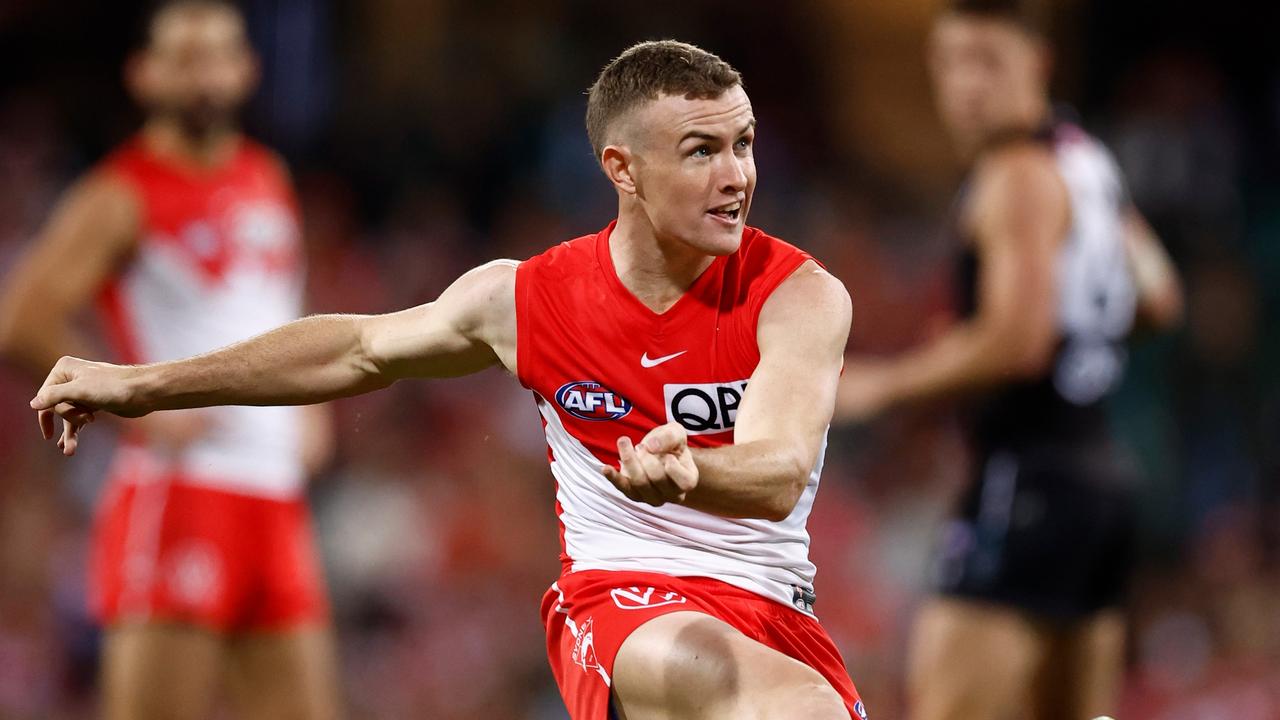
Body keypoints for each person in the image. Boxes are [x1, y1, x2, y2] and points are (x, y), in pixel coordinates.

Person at [27, 40, 866, 720]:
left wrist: (691, 472)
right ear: (623, 169)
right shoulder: (528, 298)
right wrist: (141, 384)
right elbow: (356, 348)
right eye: (702, 150)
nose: (738, 175)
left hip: (778, 614)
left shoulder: (799, 295)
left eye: (744, 142)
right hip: (622, 602)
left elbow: (779, 471)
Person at [835, 1, 1183, 718]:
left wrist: (883, 386)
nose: (967, 84)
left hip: (1023, 482)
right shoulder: (1087, 162)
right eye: (951, 63)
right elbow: (1157, 297)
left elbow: (1015, 339)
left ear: (1039, 63)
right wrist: (1081, 343)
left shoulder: (1015, 173)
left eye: (988, 60)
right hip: (1100, 480)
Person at [0, 2, 339, 718]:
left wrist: (313, 408)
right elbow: (21, 319)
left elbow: (278, 310)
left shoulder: (266, 178)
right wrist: (137, 410)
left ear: (247, 70)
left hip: (274, 492)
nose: (203, 75)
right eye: (183, 58)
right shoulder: (121, 193)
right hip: (181, 491)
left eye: (217, 54)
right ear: (143, 75)